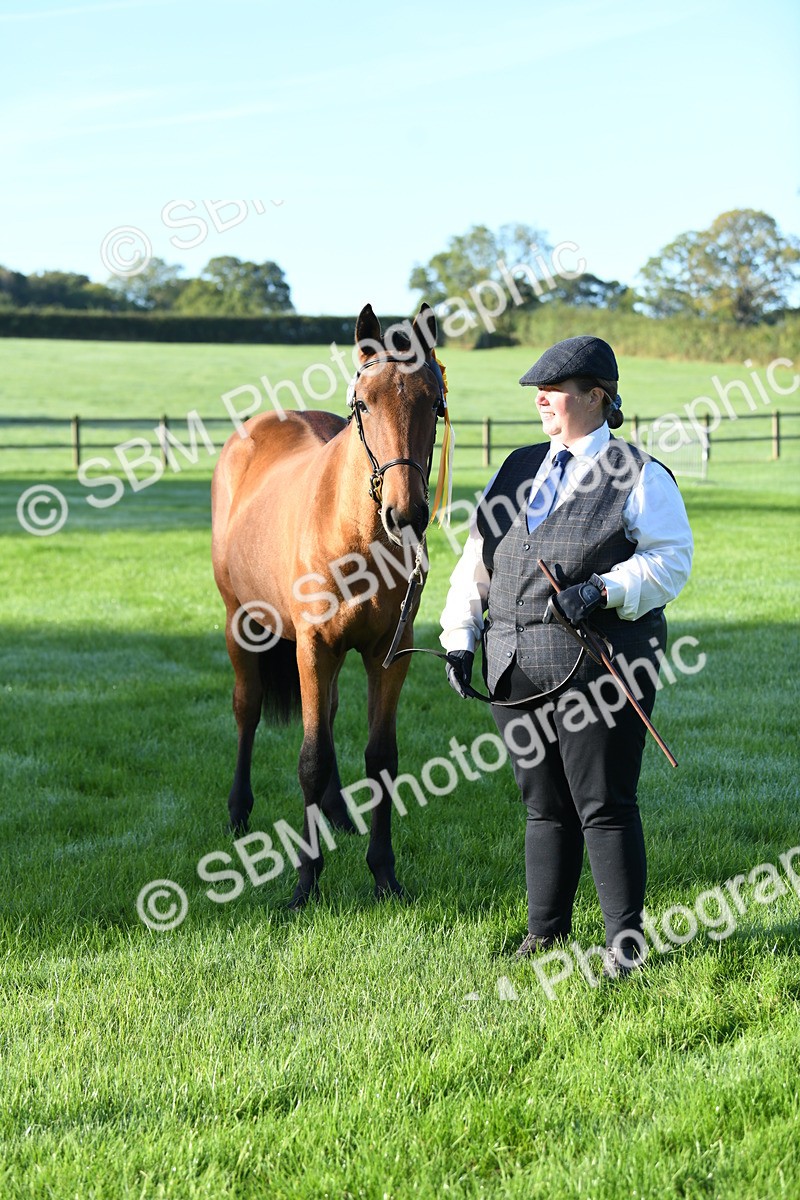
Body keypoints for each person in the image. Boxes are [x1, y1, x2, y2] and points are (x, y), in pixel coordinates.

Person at [439, 335, 693, 974]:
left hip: (601, 666)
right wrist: (459, 635)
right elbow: (479, 558)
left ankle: (624, 946)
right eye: (538, 391)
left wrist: (606, 589)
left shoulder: (640, 473)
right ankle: (545, 934)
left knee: (603, 802)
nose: (542, 400)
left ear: (596, 397)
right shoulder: (516, 467)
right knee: (543, 805)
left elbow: (671, 561)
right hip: (513, 665)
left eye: (554, 391)